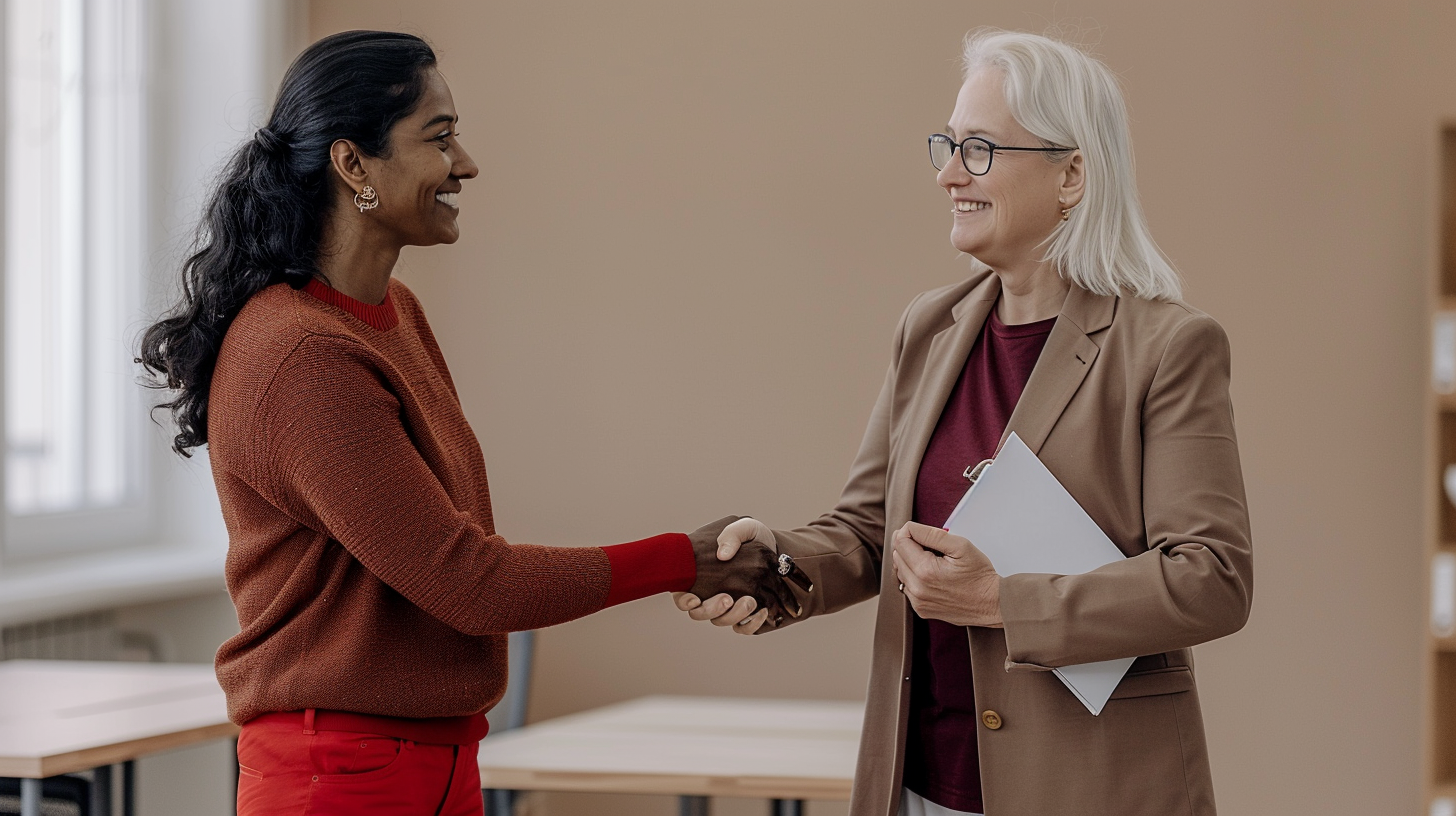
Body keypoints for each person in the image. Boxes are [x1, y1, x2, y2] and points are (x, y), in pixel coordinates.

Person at [137, 30, 794, 816]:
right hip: (339, 777)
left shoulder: (391, 316)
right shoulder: (300, 356)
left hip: (436, 763)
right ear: (353, 165)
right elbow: (469, 582)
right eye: (439, 138)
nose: (466, 164)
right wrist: (682, 560)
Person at [673, 29, 1253, 816]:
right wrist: (774, 565)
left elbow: (1211, 578)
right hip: (918, 783)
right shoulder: (929, 326)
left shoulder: (1168, 346)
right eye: (947, 145)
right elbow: (871, 532)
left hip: (1089, 787)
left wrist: (1002, 601)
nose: (949, 174)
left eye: (979, 149)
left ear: (1073, 174)